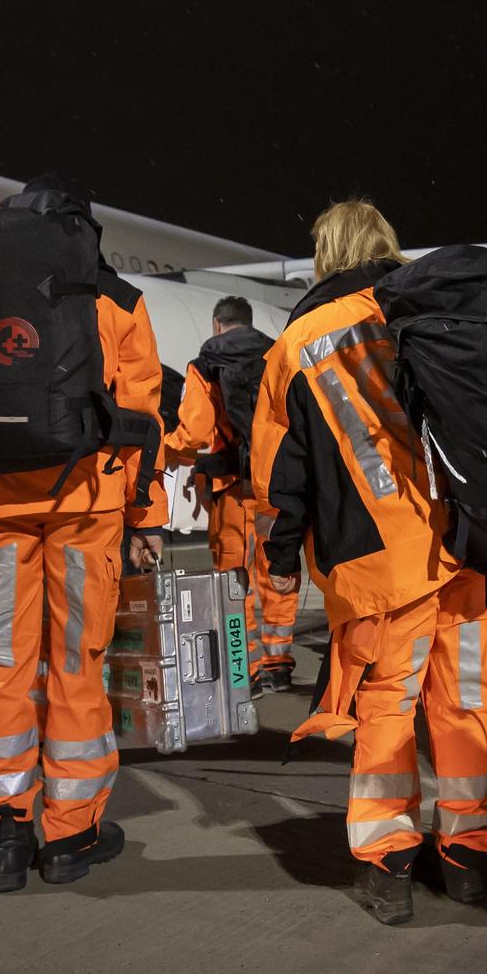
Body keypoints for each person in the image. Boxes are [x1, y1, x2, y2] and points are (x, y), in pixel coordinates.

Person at [0, 176, 167, 891]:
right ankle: (72, 834)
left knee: (0, 661)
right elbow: (143, 414)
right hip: (85, 503)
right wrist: (145, 516)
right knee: (77, 665)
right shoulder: (115, 297)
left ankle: (6, 832)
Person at [254, 199, 487, 926]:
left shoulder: (299, 342)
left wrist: (277, 567)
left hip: (379, 564)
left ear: (325, 253)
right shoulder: (436, 308)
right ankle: (468, 855)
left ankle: (388, 862)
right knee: (464, 703)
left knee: (386, 711)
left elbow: (280, 480)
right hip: (469, 547)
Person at [163, 296, 296, 694]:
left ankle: (247, 669)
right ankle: (278, 662)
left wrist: (166, 447)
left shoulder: (206, 363)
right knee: (276, 572)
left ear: (217, 324)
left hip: (233, 489)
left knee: (235, 580)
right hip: (276, 485)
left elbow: (196, 433)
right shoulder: (279, 353)